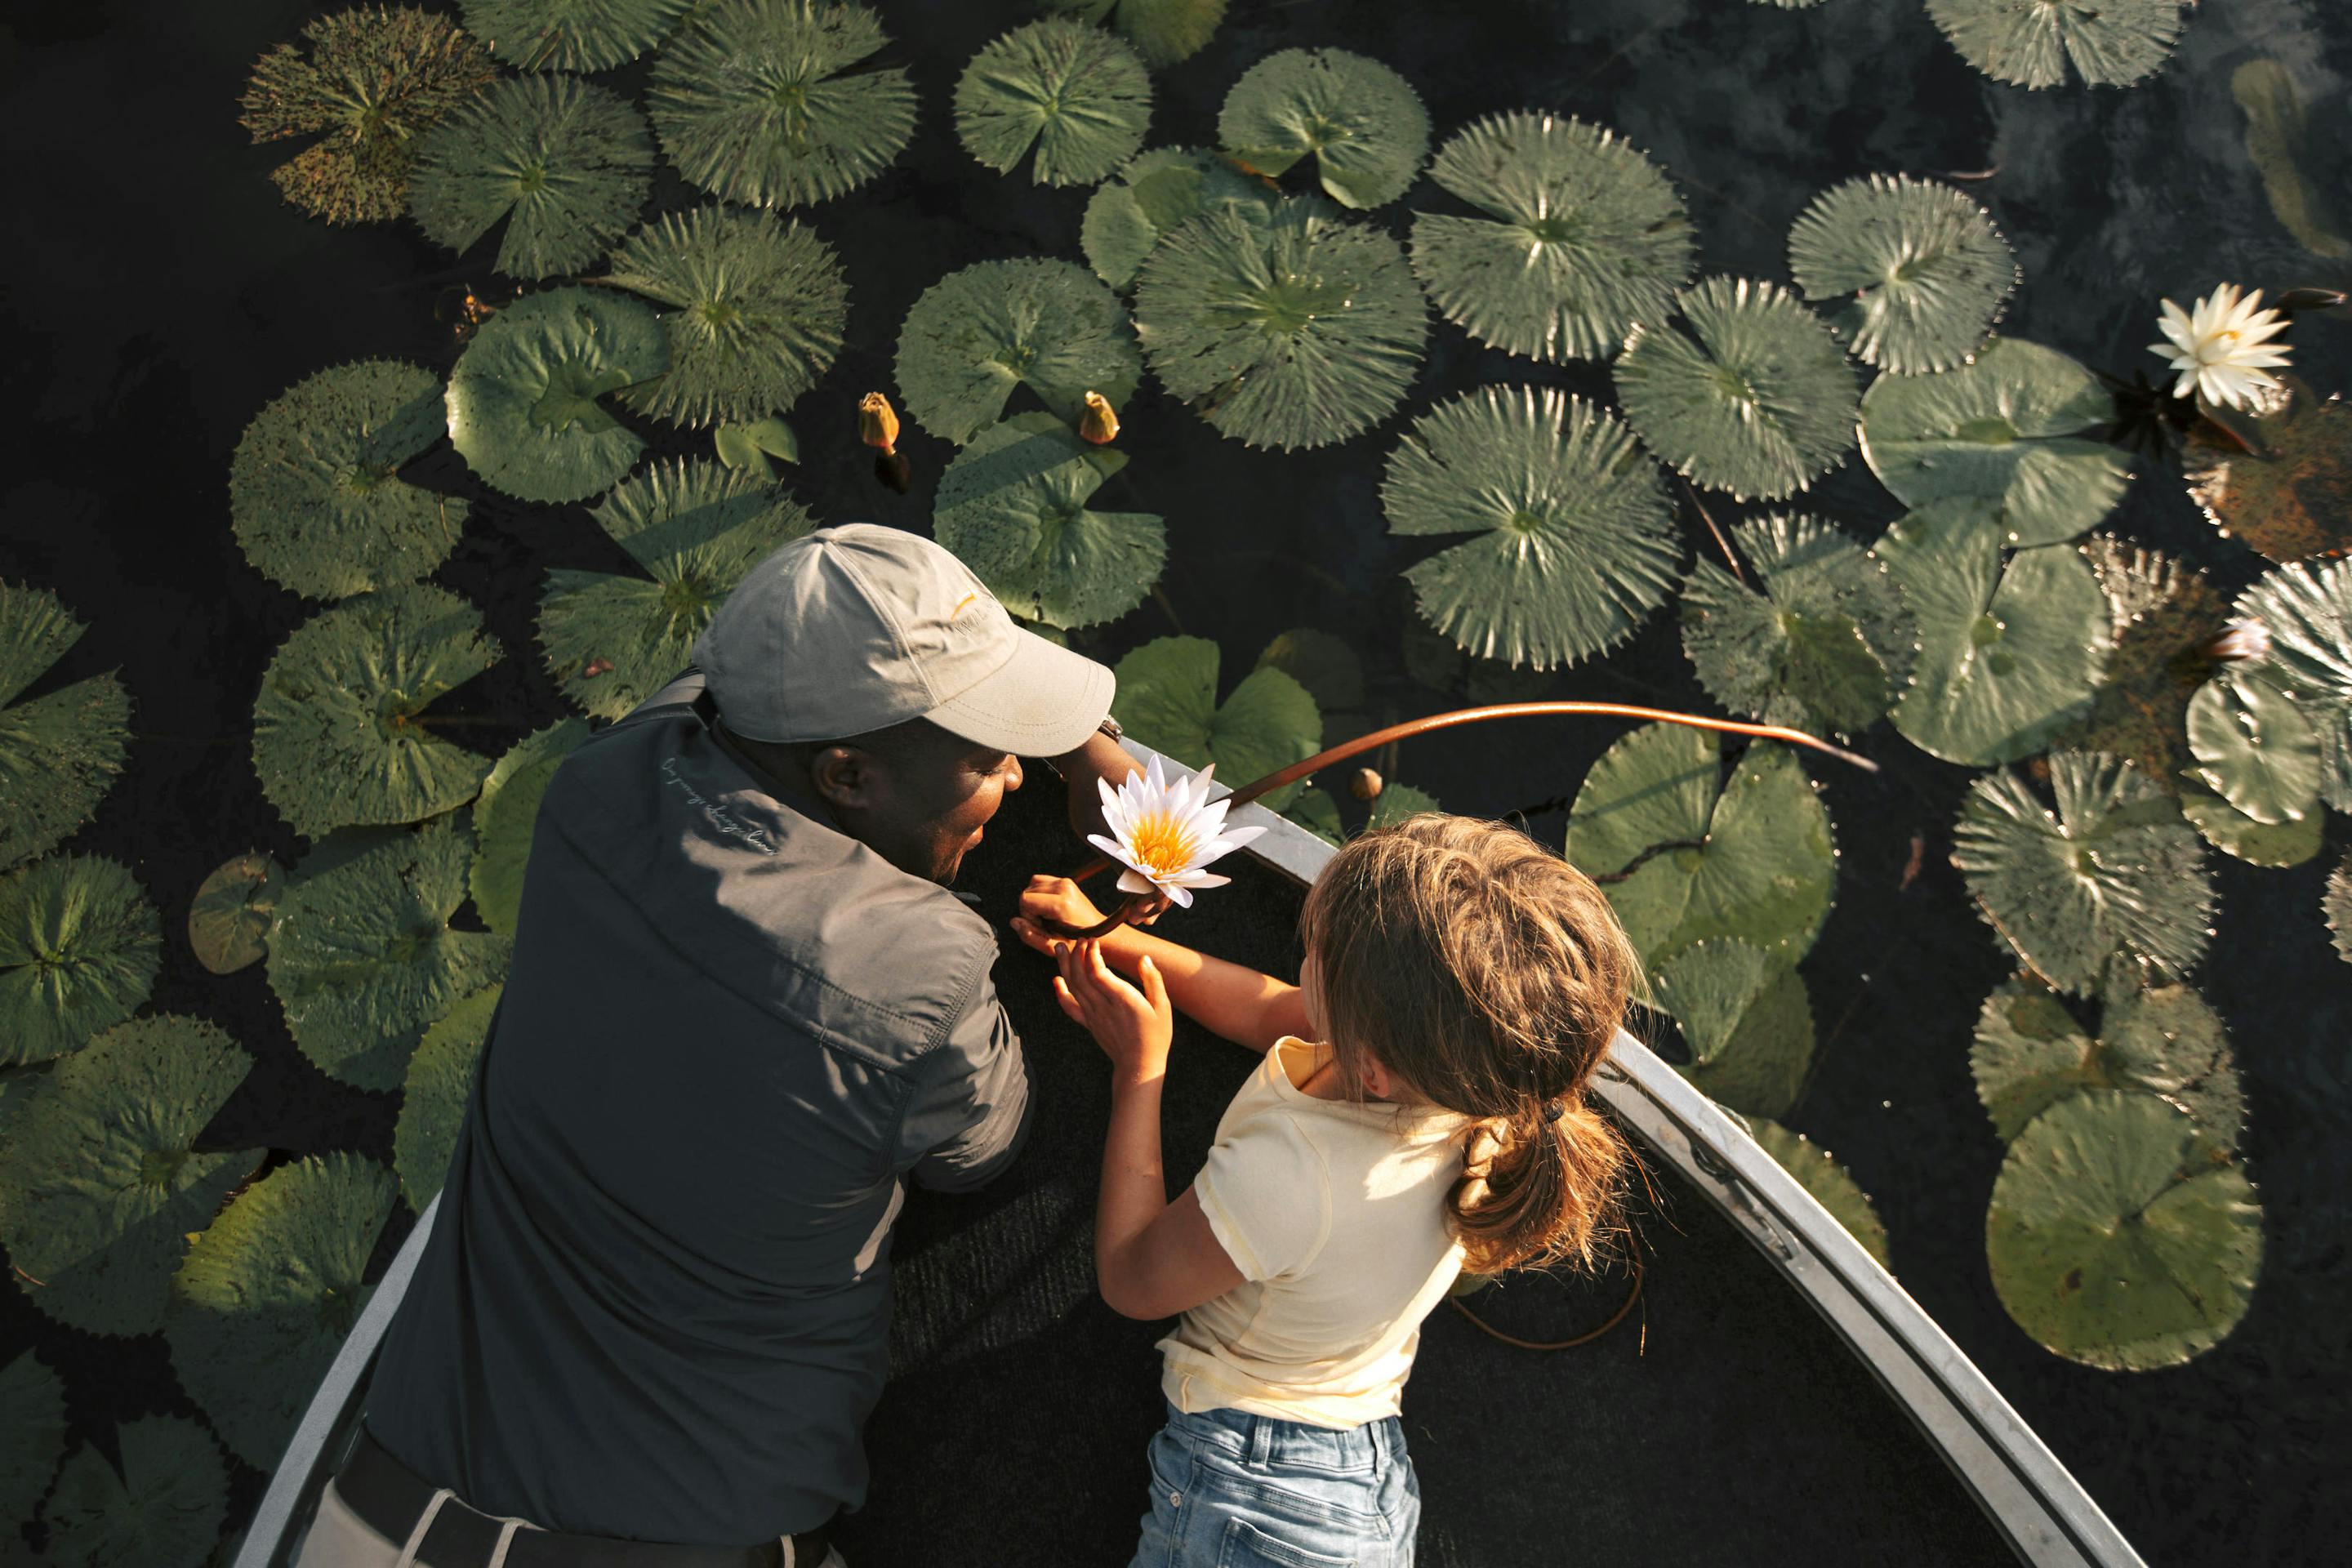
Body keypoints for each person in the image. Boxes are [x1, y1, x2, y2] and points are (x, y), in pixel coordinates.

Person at [296, 523, 1154, 1568]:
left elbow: (730, 667)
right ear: (845, 773)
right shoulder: (920, 962)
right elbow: (982, 1149)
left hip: (384, 1513)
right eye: (985, 759)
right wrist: (1096, 765)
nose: (1015, 781)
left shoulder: (598, 780)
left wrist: (1068, 736)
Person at [1013, 813, 1638, 1568]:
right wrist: (1108, 936)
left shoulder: (1291, 1174)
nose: (1300, 959)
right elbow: (1274, 1008)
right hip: (1363, 1457)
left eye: (1315, 953)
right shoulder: (1478, 1088)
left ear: (1369, 1062)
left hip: (1256, 1494)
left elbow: (1132, 1277)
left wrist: (1139, 1069)